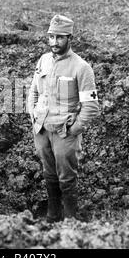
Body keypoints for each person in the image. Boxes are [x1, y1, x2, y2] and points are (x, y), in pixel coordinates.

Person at [27, 14, 100, 222]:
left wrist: (75, 129)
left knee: (66, 177)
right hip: (42, 129)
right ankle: (53, 215)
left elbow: (91, 105)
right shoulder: (43, 61)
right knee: (48, 173)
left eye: (59, 37)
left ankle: (70, 219)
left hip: (64, 132)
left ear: (70, 38)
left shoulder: (81, 68)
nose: (54, 42)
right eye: (51, 37)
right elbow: (33, 91)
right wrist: (32, 114)